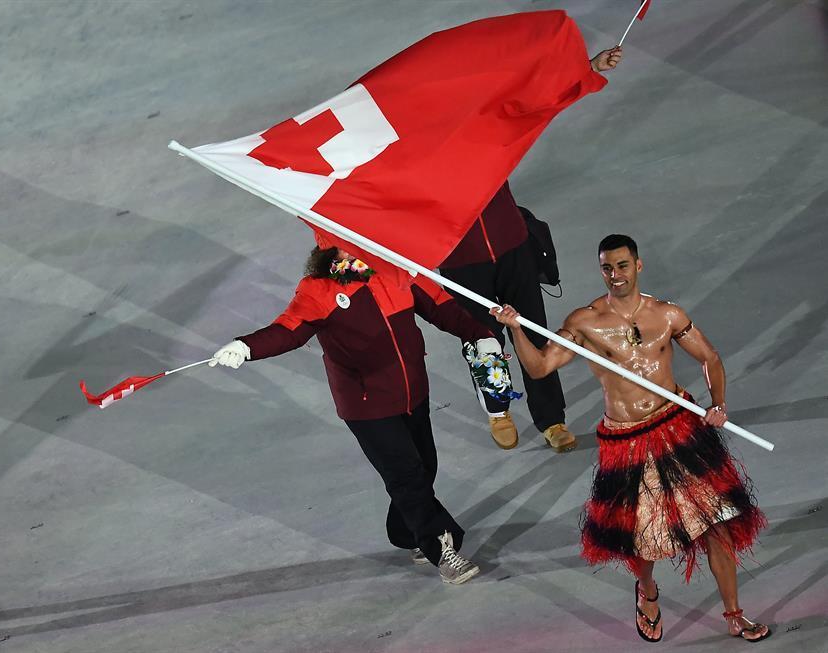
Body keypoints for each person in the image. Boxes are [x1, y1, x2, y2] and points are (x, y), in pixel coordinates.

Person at [492, 234, 770, 642]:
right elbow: (539, 369)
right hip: (627, 439)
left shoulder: (668, 315)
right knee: (641, 539)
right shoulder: (585, 322)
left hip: (679, 428)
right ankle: (648, 592)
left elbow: (709, 357)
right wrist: (516, 330)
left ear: (638, 266)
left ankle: (734, 614)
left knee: (718, 526)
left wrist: (718, 404)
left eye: (622, 265)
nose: (615, 275)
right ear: (599, 269)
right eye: (607, 267)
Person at [211, 244, 509, 584]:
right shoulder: (318, 290)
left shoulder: (395, 270)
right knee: (407, 474)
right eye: (341, 255)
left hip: (413, 393)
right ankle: (442, 548)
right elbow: (288, 330)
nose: (352, 259)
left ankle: (406, 532)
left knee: (424, 467)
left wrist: (481, 335)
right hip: (366, 405)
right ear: (328, 256)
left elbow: (441, 308)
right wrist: (246, 346)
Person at [437, 47, 623, 452]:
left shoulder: (488, 129)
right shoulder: (422, 153)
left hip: (512, 249)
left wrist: (587, 69)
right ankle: (498, 410)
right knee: (484, 343)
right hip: (461, 262)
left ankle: (551, 420)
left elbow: (537, 107)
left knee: (535, 335)